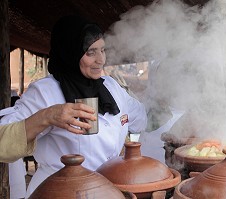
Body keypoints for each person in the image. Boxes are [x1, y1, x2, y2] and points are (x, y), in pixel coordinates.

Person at [0, 14, 147, 198]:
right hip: (58, 192)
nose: (100, 60)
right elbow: (2, 142)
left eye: (103, 50)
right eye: (90, 52)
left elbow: (142, 117)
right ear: (70, 52)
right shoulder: (45, 92)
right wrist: (47, 116)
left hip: (107, 191)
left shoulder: (110, 86)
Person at [0, 103, 97, 163]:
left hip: (105, 188)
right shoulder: (44, 89)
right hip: (55, 188)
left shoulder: (109, 84)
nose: (99, 68)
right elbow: (3, 144)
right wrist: (46, 116)